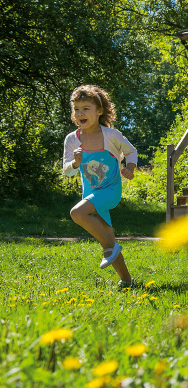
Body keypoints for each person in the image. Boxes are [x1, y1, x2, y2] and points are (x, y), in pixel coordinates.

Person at [62, 85, 137, 288]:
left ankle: (108, 248)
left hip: (110, 191)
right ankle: (127, 281)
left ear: (99, 111)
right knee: (108, 236)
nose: (80, 113)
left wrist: (130, 168)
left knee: (77, 213)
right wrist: (75, 163)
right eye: (76, 108)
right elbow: (67, 171)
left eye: (86, 108)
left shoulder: (111, 135)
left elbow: (131, 152)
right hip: (91, 194)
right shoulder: (72, 139)